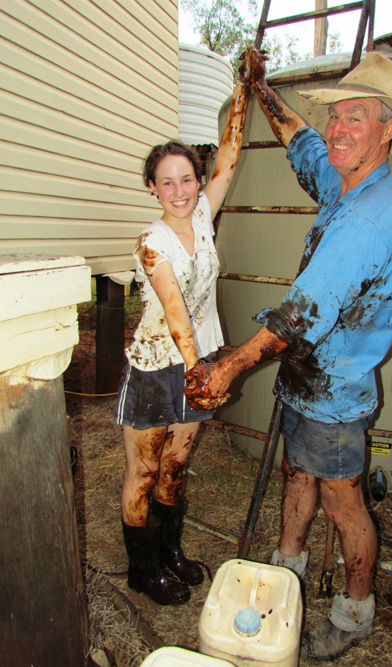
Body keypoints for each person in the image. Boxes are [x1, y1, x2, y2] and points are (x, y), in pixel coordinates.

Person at [185, 50, 392, 657]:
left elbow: (299, 316)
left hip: (335, 390)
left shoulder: (368, 219)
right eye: (335, 115)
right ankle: (286, 567)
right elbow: (304, 146)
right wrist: (261, 88)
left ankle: (354, 612)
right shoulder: (346, 180)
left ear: (389, 129)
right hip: (306, 377)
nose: (338, 129)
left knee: (344, 503)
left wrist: (227, 368)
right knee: (297, 472)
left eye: (356, 118)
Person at [114, 68, 250, 606]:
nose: (179, 191)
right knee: (145, 470)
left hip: (199, 360)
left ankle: (170, 552)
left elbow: (229, 157)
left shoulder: (204, 215)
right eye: (166, 182)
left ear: (198, 181)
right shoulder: (152, 241)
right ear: (152, 187)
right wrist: (200, 373)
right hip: (158, 366)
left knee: (176, 465)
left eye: (187, 179)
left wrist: (243, 90)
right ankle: (142, 568)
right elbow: (175, 312)